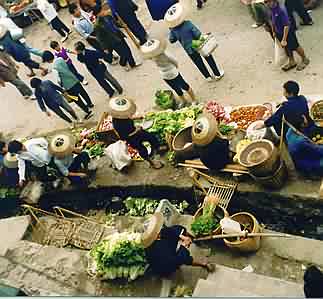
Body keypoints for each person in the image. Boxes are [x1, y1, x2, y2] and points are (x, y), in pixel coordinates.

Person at [143, 214, 215, 277]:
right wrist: (183, 246)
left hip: (167, 248)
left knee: (178, 228)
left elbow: (169, 231)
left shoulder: (158, 234)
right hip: (166, 265)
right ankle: (204, 264)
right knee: (183, 258)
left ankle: (193, 238)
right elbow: (175, 260)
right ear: (152, 235)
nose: (159, 228)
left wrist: (181, 237)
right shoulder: (156, 249)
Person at [109, 97, 163, 169]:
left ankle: (157, 148)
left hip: (136, 131)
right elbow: (124, 137)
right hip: (131, 138)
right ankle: (151, 162)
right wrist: (136, 130)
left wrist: (137, 117)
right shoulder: (117, 124)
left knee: (151, 137)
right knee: (142, 149)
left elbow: (128, 118)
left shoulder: (123, 115)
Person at [42, 50, 94, 120]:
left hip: (68, 86)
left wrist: (61, 86)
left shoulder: (54, 68)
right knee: (82, 92)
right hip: (74, 79)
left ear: (47, 60)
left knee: (76, 99)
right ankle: (90, 103)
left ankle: (87, 111)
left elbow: (58, 79)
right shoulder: (60, 59)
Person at [265, 0, 310, 71]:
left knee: (295, 46)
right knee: (287, 47)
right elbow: (272, 21)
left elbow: (286, 26)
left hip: (288, 32)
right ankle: (292, 61)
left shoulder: (281, 10)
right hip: (279, 32)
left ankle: (305, 59)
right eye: (265, 2)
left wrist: (284, 39)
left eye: (268, 1)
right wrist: (273, 31)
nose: (267, 3)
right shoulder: (270, 9)